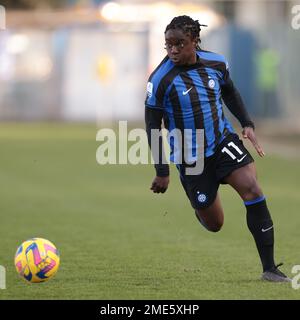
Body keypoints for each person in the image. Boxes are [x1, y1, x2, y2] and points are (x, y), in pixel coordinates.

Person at [145, 15, 290, 282]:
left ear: (195, 41)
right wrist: (162, 170)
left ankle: (269, 268)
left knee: (252, 188)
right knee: (215, 224)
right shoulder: (161, 80)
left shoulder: (217, 63)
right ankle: (200, 202)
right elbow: (152, 124)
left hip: (222, 141)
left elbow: (230, 92)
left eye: (180, 43)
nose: (173, 50)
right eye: (169, 45)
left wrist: (246, 123)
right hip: (192, 158)